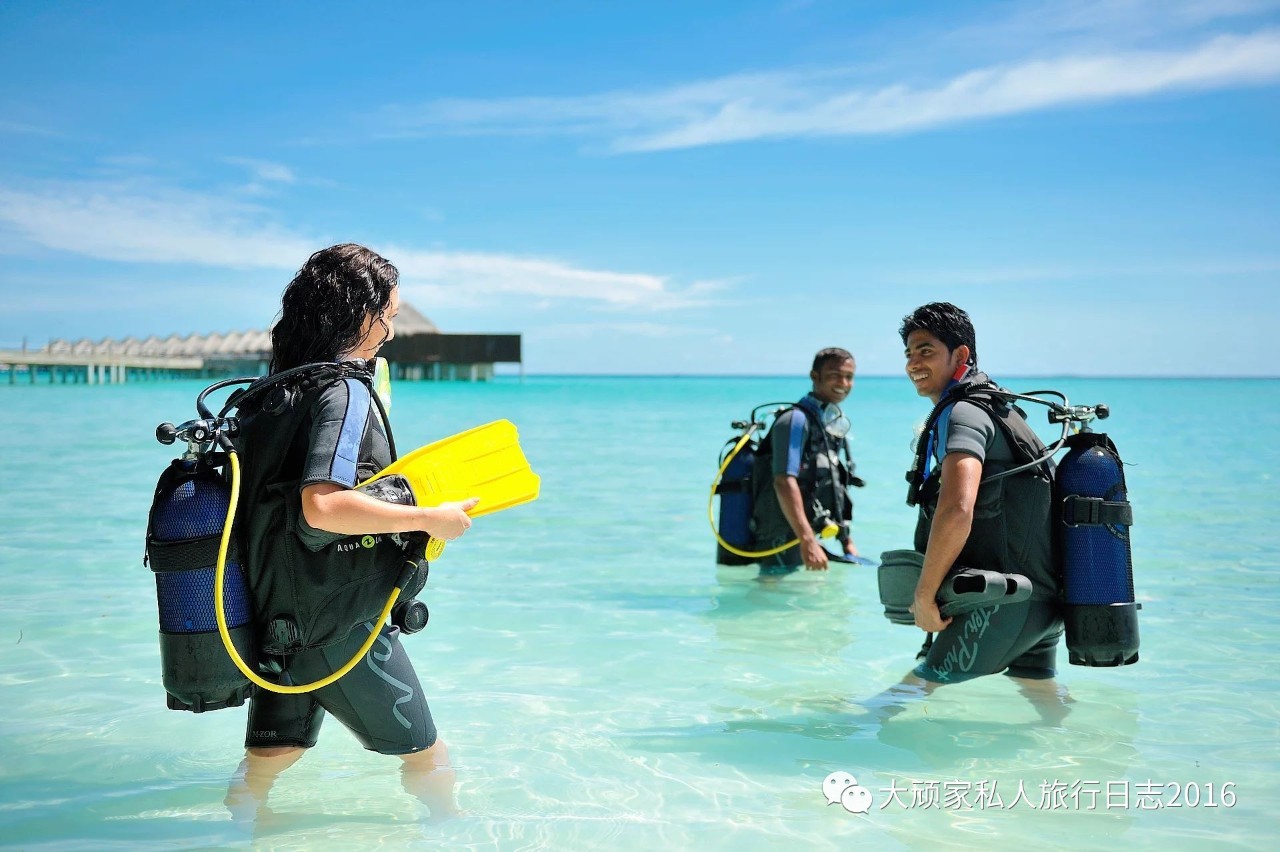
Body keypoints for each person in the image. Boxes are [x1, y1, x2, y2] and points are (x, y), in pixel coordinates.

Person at [223, 243, 477, 824]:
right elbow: (324, 506)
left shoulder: (266, 396)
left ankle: (236, 835)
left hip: (272, 622)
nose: (388, 332)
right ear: (358, 314)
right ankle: (456, 835)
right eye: (386, 316)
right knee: (428, 756)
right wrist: (429, 518)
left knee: (268, 759)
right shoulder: (343, 392)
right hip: (337, 626)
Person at [894, 302, 1067, 713]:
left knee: (896, 705)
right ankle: (1091, 764)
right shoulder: (1002, 409)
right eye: (908, 354)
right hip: (1045, 605)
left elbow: (957, 508)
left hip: (1004, 603)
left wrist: (923, 596)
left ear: (962, 355)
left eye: (926, 350)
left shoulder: (966, 412)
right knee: (1047, 706)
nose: (913, 363)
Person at [750, 347, 863, 577]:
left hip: (804, 534)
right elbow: (783, 481)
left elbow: (834, 483)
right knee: (772, 603)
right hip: (779, 537)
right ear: (815, 377)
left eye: (849, 376)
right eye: (834, 375)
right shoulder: (795, 420)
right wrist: (807, 540)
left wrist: (846, 541)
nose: (843, 382)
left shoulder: (827, 423)